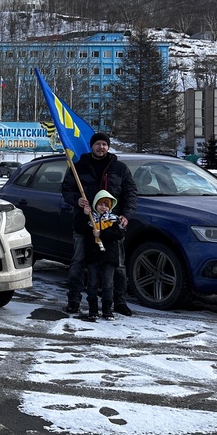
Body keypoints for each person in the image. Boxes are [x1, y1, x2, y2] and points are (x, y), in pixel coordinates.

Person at [60, 132, 138, 316]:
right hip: (84, 225)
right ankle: (74, 300)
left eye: (104, 144)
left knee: (117, 266)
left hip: (112, 228)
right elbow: (66, 190)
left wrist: (126, 214)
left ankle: (119, 302)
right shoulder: (78, 167)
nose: (101, 147)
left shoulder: (120, 168)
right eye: (97, 144)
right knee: (79, 262)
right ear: (92, 146)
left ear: (108, 147)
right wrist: (77, 200)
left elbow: (131, 194)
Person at [74, 190, 124, 320]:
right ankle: (93, 309)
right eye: (101, 204)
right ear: (95, 204)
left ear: (110, 207)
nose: (103, 207)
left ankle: (107, 309)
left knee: (108, 284)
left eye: (106, 205)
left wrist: (101, 234)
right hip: (93, 256)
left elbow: (119, 234)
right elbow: (79, 229)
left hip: (109, 257)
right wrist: (85, 215)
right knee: (92, 283)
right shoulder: (90, 219)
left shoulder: (113, 219)